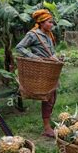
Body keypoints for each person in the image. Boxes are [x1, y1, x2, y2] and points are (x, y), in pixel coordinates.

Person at [16, 9, 59, 137]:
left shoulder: (48, 34)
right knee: (47, 97)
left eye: (52, 22)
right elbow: (19, 47)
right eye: (49, 22)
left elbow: (50, 52)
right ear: (41, 22)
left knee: (53, 96)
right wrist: (34, 57)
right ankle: (46, 128)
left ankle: (48, 122)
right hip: (41, 69)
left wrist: (56, 57)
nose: (52, 24)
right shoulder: (33, 34)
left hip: (51, 69)